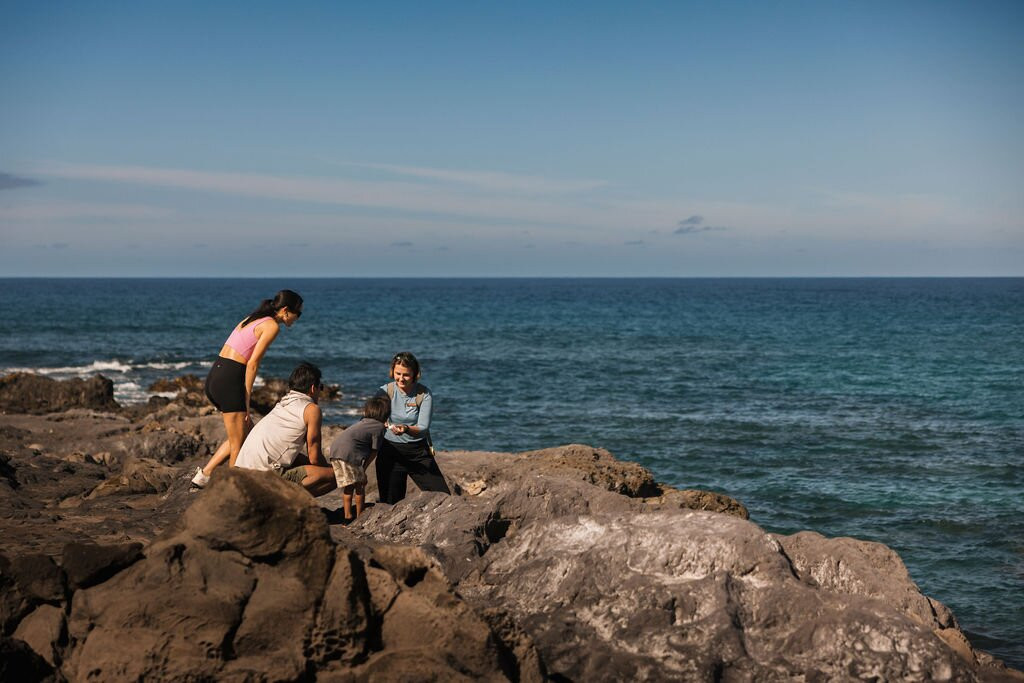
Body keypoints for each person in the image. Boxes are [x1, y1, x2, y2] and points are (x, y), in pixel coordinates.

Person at [192, 289, 303, 488]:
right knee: (238, 445)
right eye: (298, 313)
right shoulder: (271, 326)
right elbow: (252, 363)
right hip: (230, 379)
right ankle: (230, 492)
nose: (298, 318)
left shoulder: (253, 318)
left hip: (216, 375)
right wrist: (246, 399)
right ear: (286, 310)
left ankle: (205, 475)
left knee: (243, 433)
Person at [232, 362, 337, 496]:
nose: (319, 392)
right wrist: (329, 469)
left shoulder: (282, 404)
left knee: (299, 458)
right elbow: (314, 457)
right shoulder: (312, 410)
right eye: (320, 387)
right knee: (338, 475)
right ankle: (292, 506)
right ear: (312, 388)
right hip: (262, 476)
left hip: (241, 471)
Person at [375, 351, 450, 504]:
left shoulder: (424, 394)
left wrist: (406, 428)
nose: (401, 378)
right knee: (389, 504)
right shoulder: (385, 391)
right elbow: (373, 417)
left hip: (417, 453)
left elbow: (423, 427)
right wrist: (380, 422)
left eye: (406, 375)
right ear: (392, 372)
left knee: (443, 498)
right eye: (398, 373)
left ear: (415, 374)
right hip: (390, 452)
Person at [328, 395, 390, 521]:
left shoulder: (364, 422)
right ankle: (359, 516)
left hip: (335, 452)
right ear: (386, 414)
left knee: (349, 486)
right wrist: (363, 468)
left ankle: (347, 516)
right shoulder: (379, 428)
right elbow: (374, 451)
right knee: (360, 485)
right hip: (348, 455)